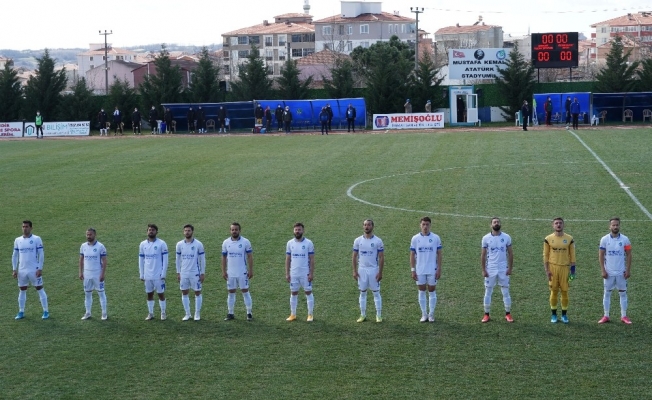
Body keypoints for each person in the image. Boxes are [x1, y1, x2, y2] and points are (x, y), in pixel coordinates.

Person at [598, 217, 632, 325]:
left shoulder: (625, 239)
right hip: (609, 273)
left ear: (619, 226)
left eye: (617, 225)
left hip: (621, 272)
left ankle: (624, 316)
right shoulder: (604, 239)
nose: (615, 227)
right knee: (607, 293)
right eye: (613, 225)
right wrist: (603, 270)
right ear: (610, 226)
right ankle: (606, 315)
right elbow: (601, 255)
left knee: (623, 293)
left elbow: (629, 254)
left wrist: (628, 270)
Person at [12, 220, 49, 320]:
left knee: (39, 288)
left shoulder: (36, 239)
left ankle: (46, 311)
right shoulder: (18, 240)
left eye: (27, 227)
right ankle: (21, 311)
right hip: (22, 270)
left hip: (34, 269)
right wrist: (14, 269)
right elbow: (15, 255)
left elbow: (41, 254)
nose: (25, 228)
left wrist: (40, 268)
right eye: (23, 227)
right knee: (22, 289)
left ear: (31, 228)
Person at [480, 218, 514, 323]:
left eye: (498, 222)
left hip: (503, 268)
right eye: (494, 222)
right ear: (491, 225)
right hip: (490, 268)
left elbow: (510, 253)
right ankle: (486, 314)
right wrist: (483, 269)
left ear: (500, 224)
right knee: (488, 291)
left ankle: (508, 314)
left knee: (505, 291)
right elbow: (483, 255)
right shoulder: (486, 238)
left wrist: (510, 268)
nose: (496, 223)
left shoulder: (506, 237)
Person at [543, 217, 576, 324]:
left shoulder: (569, 239)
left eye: (560, 223)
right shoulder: (548, 239)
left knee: (565, 291)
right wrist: (547, 270)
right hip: (553, 268)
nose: (558, 225)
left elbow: (572, 255)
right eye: (556, 223)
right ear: (553, 225)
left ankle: (564, 315)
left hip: (565, 268)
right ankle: (553, 315)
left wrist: (573, 271)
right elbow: (545, 255)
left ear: (563, 225)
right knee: (554, 291)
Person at [410, 216, 442, 322]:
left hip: (432, 269)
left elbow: (439, 254)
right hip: (420, 269)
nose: (425, 227)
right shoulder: (415, 238)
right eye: (423, 224)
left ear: (430, 225)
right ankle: (424, 314)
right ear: (420, 225)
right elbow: (412, 255)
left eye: (427, 224)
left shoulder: (436, 238)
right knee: (421, 291)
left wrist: (439, 268)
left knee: (432, 291)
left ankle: (431, 314)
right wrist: (413, 270)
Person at [352, 219, 384, 323]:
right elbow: (354, 256)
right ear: (363, 226)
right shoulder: (358, 241)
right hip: (362, 270)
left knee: (376, 293)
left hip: (373, 270)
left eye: (369, 225)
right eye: (365, 225)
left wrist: (380, 272)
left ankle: (378, 315)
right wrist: (354, 271)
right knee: (362, 292)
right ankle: (363, 314)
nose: (367, 227)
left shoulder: (378, 241)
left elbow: (381, 257)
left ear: (372, 227)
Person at [221, 222, 254, 321]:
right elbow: (223, 257)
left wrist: (250, 270)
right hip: (230, 273)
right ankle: (230, 313)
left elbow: (250, 256)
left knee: (245, 291)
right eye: (232, 230)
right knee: (231, 292)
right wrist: (223, 271)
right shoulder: (226, 242)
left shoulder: (245, 242)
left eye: (236, 229)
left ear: (239, 230)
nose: (234, 231)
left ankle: (249, 313)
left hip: (242, 272)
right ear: (230, 231)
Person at [285, 222, 315, 322]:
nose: (297, 231)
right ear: (293, 231)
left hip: (305, 273)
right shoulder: (290, 243)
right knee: (293, 292)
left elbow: (312, 259)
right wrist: (287, 273)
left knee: (308, 292)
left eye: (299, 230)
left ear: (303, 231)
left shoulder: (308, 243)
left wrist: (311, 273)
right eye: (296, 230)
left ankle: (310, 314)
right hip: (294, 273)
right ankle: (293, 314)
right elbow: (288, 259)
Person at [139, 224, 169, 320]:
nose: (151, 231)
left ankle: (163, 312)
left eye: (153, 230)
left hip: (158, 274)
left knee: (161, 294)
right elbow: (141, 260)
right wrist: (141, 273)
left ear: (156, 232)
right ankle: (151, 313)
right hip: (147, 274)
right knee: (149, 294)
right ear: (147, 232)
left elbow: (165, 260)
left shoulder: (162, 244)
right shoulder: (143, 244)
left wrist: (163, 273)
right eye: (149, 230)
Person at [176, 224, 205, 321]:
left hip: (195, 272)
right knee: (184, 292)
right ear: (183, 232)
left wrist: (202, 273)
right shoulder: (179, 244)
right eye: (185, 230)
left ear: (192, 232)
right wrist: (178, 272)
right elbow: (177, 259)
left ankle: (197, 313)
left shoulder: (198, 244)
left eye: (189, 230)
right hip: (184, 273)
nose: (187, 232)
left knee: (197, 292)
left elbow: (202, 259)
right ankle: (187, 314)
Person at [79, 228, 108, 320]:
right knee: (87, 294)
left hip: (97, 274)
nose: (88, 236)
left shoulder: (100, 247)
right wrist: (80, 272)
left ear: (95, 235)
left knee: (101, 293)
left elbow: (104, 261)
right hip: (87, 274)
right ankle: (88, 312)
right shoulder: (83, 246)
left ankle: (104, 313)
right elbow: (81, 260)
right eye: (87, 234)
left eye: (90, 234)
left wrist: (102, 274)